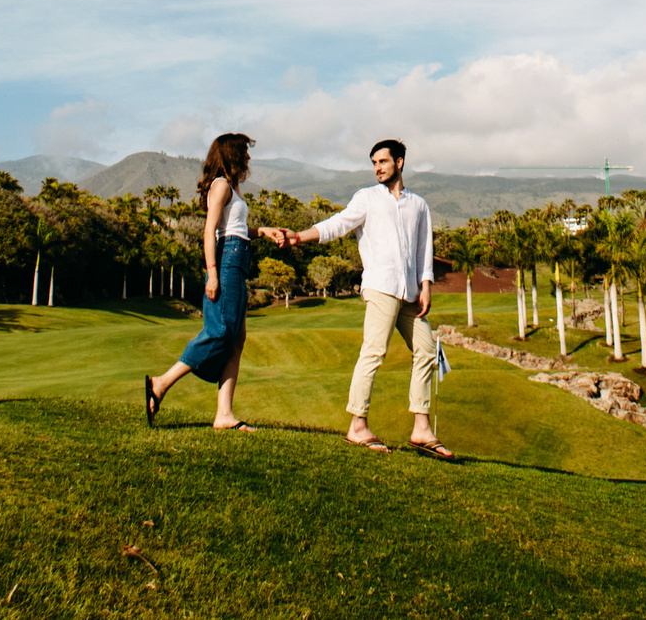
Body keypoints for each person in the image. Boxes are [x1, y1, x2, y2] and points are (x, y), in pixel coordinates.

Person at [262, 138, 452, 459]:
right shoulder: (367, 198)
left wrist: (426, 285)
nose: (378, 168)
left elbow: (424, 251)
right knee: (374, 352)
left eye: (383, 161)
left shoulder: (418, 205)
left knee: (426, 350)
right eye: (374, 163)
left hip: (411, 292)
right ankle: (358, 425)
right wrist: (298, 237)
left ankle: (421, 429)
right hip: (380, 286)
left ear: (400, 162)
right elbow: (337, 225)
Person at [142, 132, 259, 432]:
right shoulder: (221, 185)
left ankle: (224, 415)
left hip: (238, 258)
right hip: (227, 262)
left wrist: (265, 231)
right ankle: (161, 383)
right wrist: (213, 272)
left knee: (237, 338)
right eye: (243, 153)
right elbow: (210, 232)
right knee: (220, 332)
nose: (247, 158)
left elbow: (236, 229)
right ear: (232, 154)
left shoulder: (232, 188)